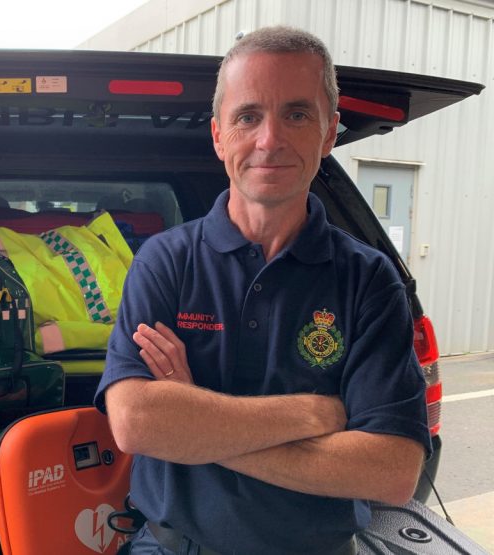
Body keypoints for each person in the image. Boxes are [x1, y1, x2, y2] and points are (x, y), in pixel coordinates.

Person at [94, 26, 431, 555]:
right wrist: (313, 414)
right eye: (248, 116)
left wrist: (195, 427)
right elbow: (138, 424)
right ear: (218, 135)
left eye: (296, 114)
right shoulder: (166, 261)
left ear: (328, 133)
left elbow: (391, 471)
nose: (269, 140)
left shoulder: (368, 279)